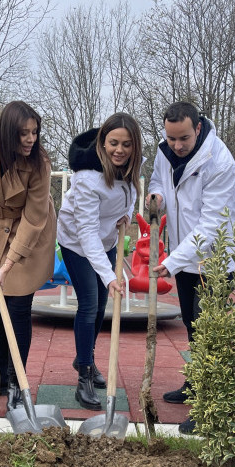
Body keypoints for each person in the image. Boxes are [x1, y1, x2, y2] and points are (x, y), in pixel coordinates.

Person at [147, 101, 235, 433]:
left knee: (209, 330)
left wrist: (170, 262)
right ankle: (196, 383)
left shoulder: (220, 162)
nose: (177, 146)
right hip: (184, 255)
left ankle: (210, 404)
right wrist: (157, 198)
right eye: (172, 138)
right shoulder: (165, 152)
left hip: (215, 257)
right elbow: (157, 183)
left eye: (184, 139)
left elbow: (211, 226)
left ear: (198, 128)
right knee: (192, 323)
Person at [0, 101, 57, 409]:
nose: (31, 139)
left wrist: (6, 266)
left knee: (18, 306)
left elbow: (33, 220)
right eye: (23, 134)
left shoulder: (39, 164)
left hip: (29, 233)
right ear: (7, 134)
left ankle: (19, 381)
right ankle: (0, 373)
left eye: (34, 132)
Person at [57, 112, 142, 409]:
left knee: (102, 305)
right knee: (90, 303)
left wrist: (127, 215)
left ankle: (85, 359)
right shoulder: (86, 180)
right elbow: (87, 233)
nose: (119, 150)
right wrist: (109, 275)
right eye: (113, 143)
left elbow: (130, 195)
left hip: (105, 239)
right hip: (77, 242)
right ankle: (84, 377)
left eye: (127, 144)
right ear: (101, 143)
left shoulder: (128, 170)